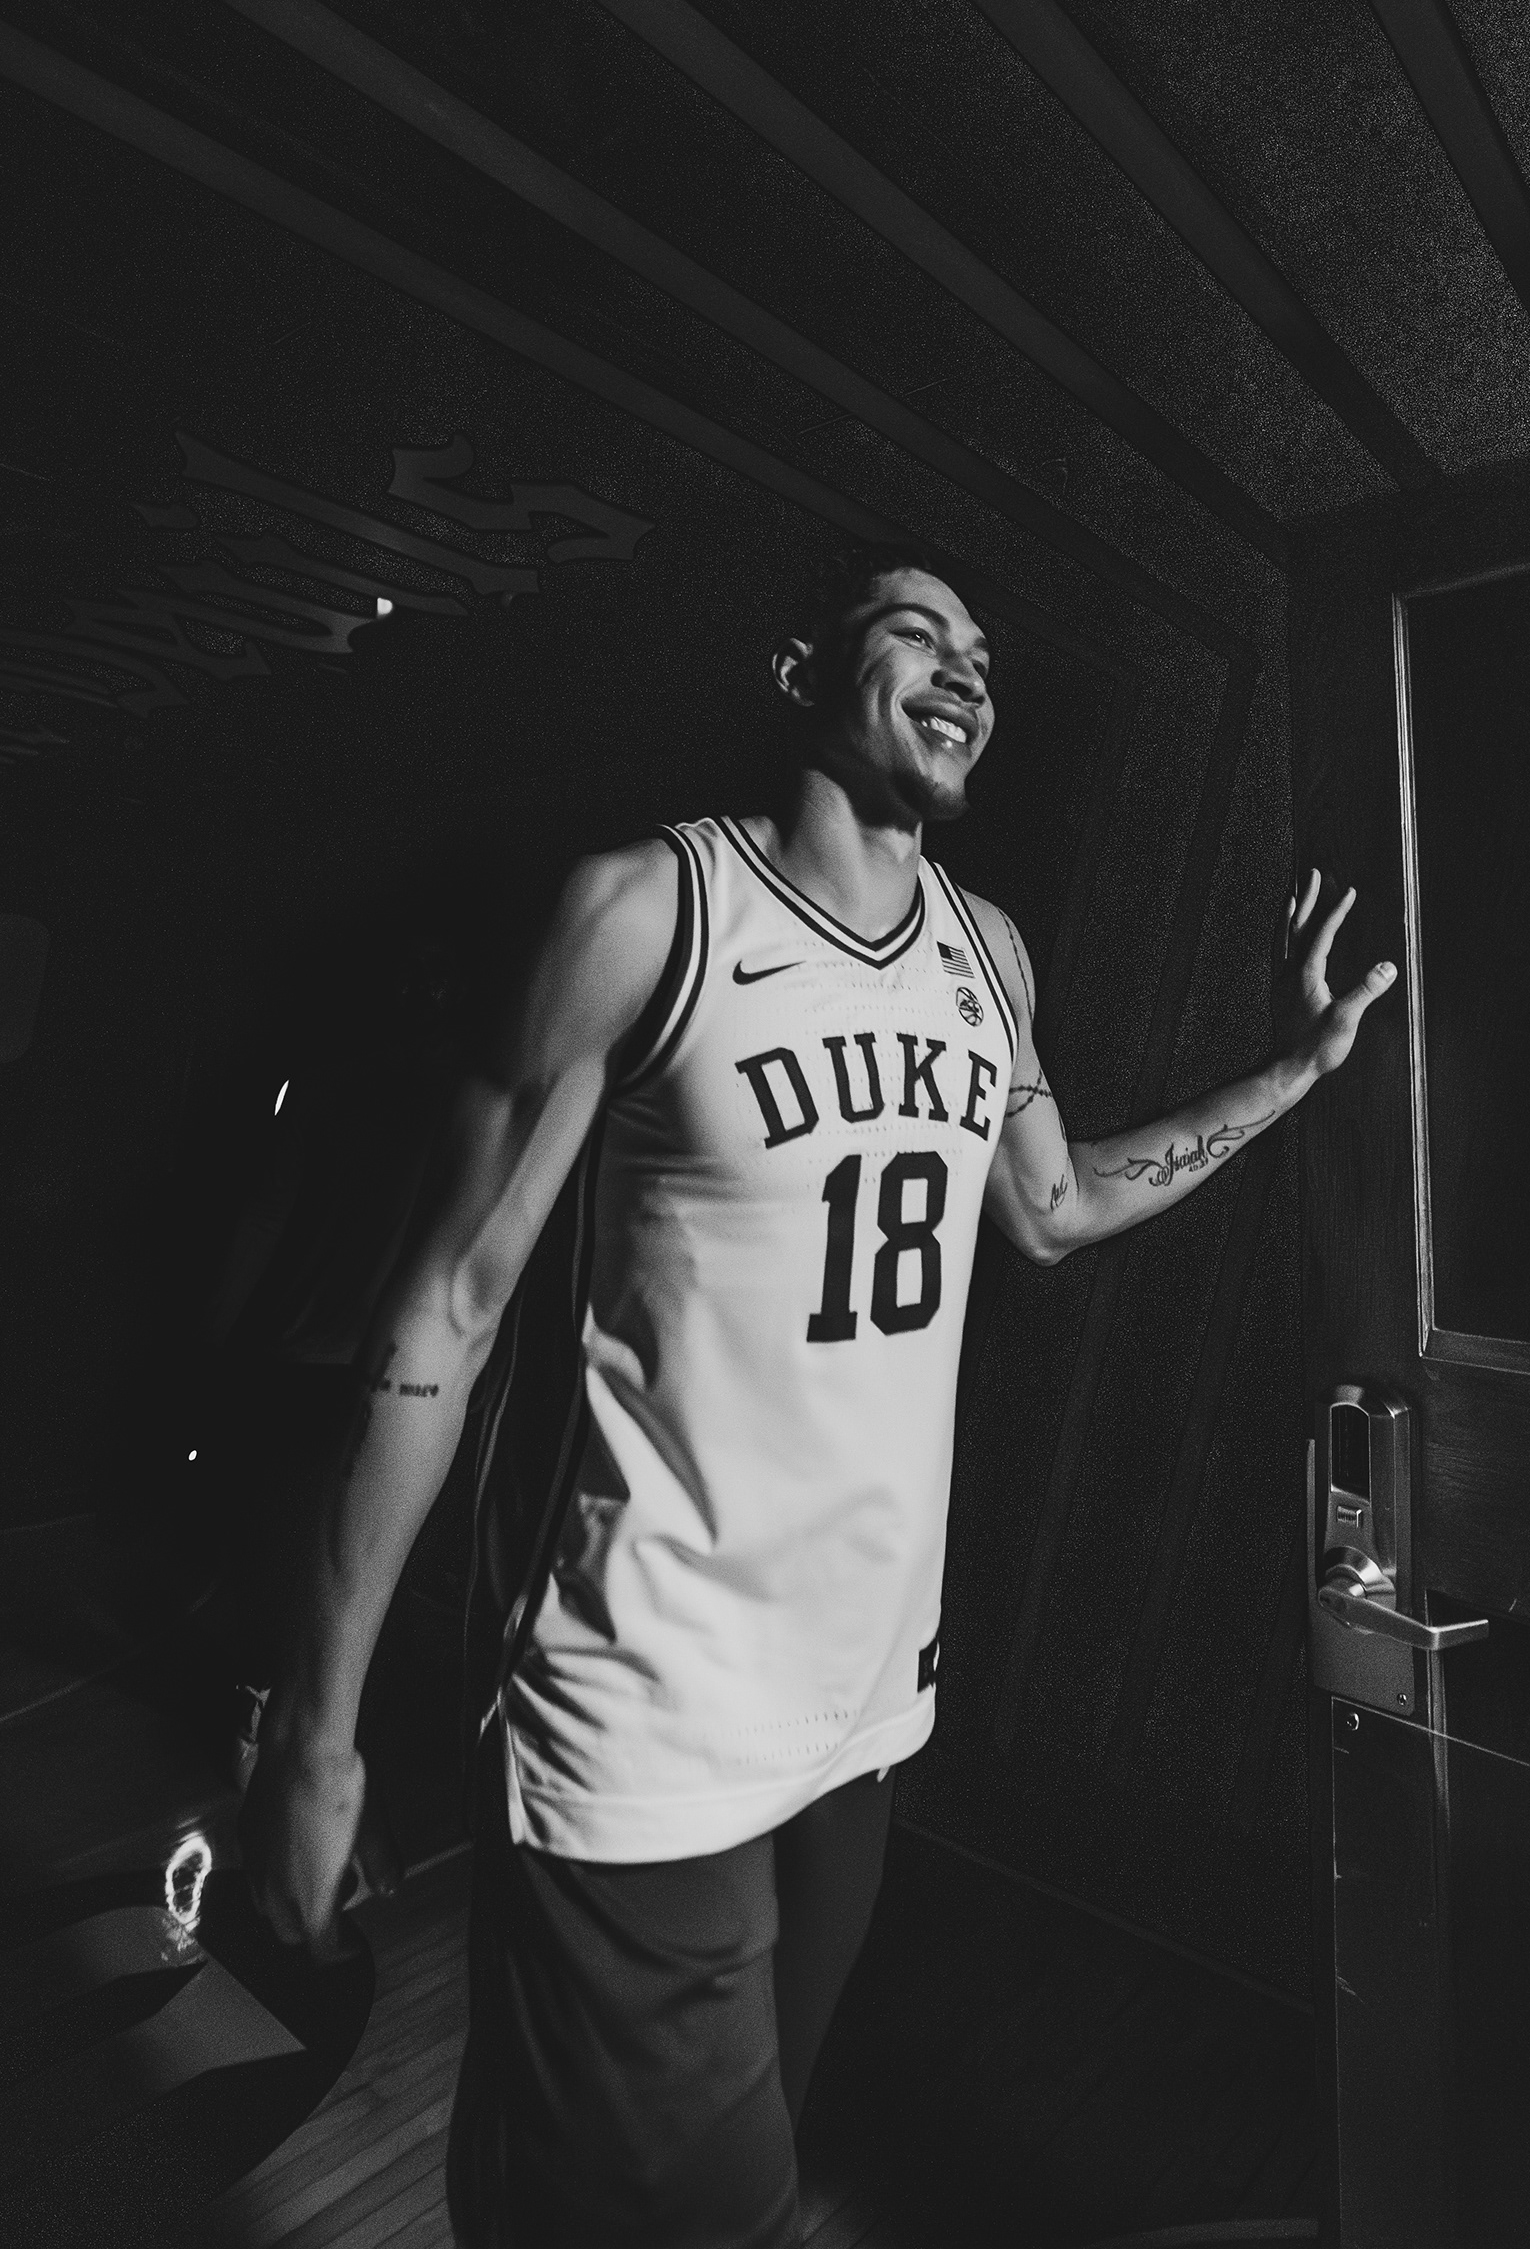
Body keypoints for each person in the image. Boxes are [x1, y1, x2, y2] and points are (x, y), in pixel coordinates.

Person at [240, 540, 1397, 2246]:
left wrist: (1292, 1072)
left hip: (861, 1721)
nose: (966, 670)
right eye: (916, 632)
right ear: (798, 672)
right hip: (651, 1711)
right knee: (718, 2211)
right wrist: (316, 1727)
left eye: (984, 653)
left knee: (658, 2180)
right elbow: (449, 1302)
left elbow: (1056, 1209)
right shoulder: (650, 912)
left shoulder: (987, 956)